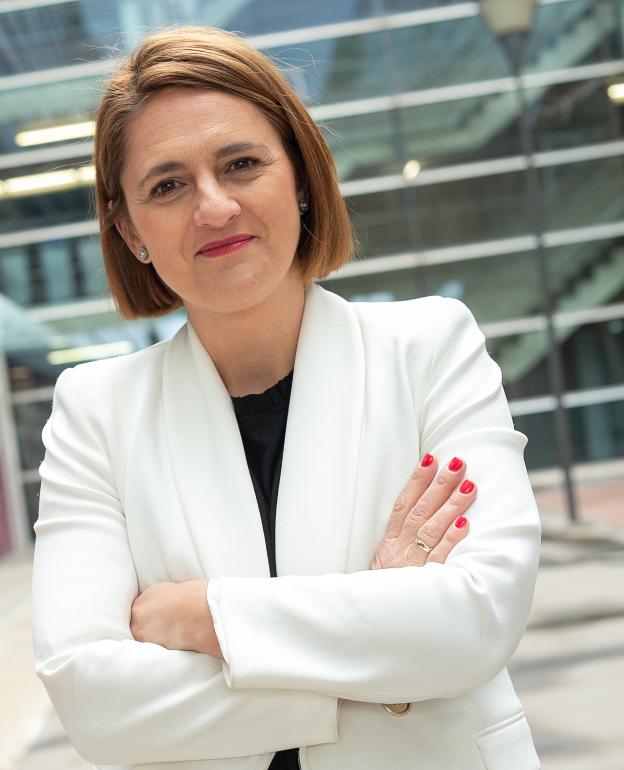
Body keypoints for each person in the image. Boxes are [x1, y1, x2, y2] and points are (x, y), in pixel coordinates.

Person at [30, 26, 541, 770]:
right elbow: (95, 703)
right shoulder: (94, 412)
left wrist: (204, 617)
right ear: (129, 229)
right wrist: (381, 655)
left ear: (301, 178)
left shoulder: (429, 348)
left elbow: (476, 620)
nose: (213, 207)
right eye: (167, 185)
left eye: (241, 164)